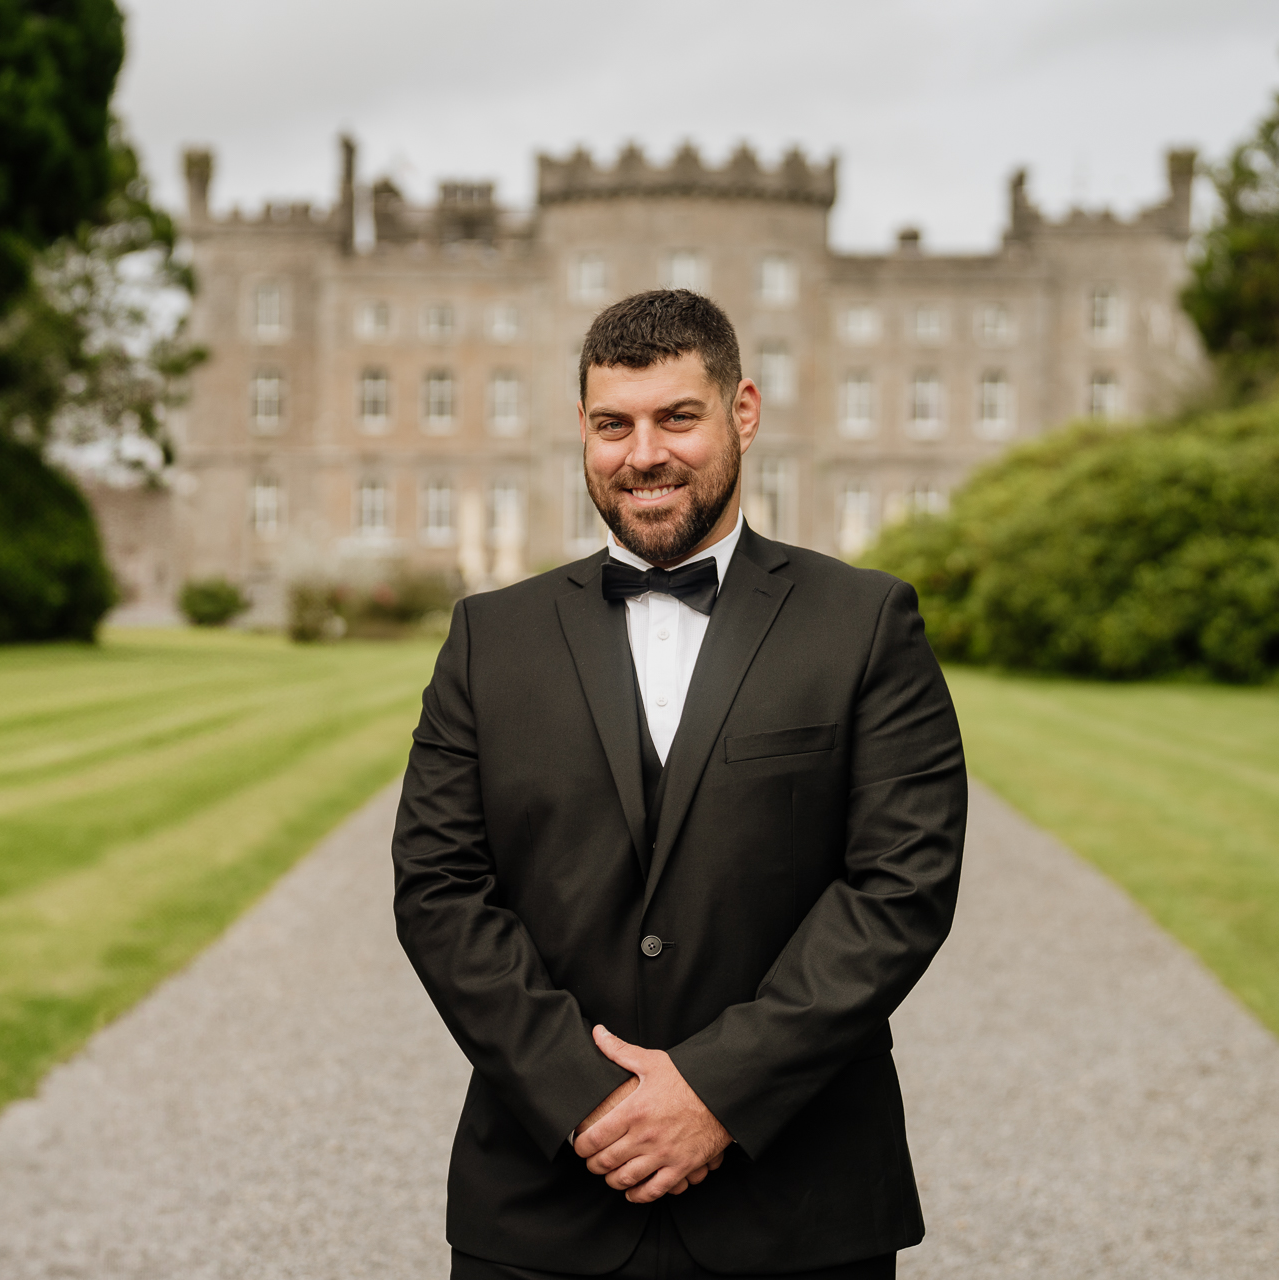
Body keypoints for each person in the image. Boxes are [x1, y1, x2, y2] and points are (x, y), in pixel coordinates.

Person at [393, 289, 967, 1279]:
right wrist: (586, 1095)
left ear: (742, 412)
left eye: (676, 417)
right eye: (613, 424)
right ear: (582, 428)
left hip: (798, 1204)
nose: (642, 453)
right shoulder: (491, 638)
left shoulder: (866, 621)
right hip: (544, 1202)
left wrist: (716, 1091)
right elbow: (440, 888)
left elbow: (900, 887)